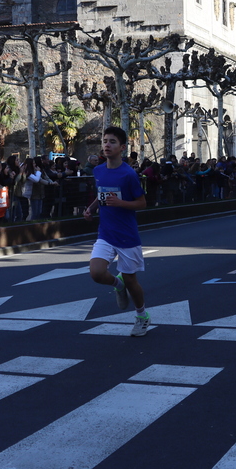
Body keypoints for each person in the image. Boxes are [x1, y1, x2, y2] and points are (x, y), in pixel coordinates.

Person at [83, 127, 151, 337]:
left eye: (112, 142)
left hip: (127, 236)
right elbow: (101, 195)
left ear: (122, 147)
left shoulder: (128, 174)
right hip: (106, 233)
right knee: (96, 272)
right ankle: (117, 284)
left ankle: (142, 316)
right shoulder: (98, 171)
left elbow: (142, 203)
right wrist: (90, 209)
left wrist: (121, 203)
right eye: (105, 141)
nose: (107, 145)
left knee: (132, 281)